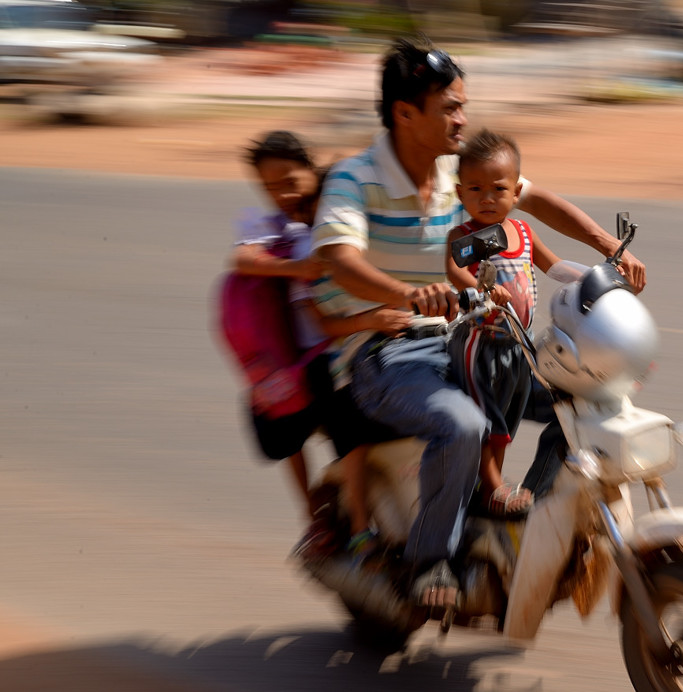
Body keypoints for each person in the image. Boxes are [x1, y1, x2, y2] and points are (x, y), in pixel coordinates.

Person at [310, 37, 646, 609]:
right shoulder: (353, 178)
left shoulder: (459, 174)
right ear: (405, 113)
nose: (462, 118)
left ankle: (524, 524)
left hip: (474, 340)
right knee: (462, 425)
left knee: (584, 397)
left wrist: (606, 244)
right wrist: (410, 293)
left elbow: (533, 201)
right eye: (450, 108)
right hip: (386, 351)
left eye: (462, 106)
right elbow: (338, 257)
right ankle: (429, 560)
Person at [232, 130, 405, 555]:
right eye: (270, 187)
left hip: (336, 347)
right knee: (339, 421)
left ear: (312, 173)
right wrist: (298, 268)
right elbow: (241, 258)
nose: (281, 195)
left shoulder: (334, 212)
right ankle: (341, 523)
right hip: (316, 357)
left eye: (290, 182)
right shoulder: (291, 235)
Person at [445, 128, 561, 518]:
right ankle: (493, 486)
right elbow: (455, 267)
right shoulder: (470, 236)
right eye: (475, 189)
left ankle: (499, 489)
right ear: (460, 194)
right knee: (487, 415)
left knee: (508, 417)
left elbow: (555, 266)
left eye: (498, 189)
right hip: (481, 342)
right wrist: (481, 287)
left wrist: (596, 277)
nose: (488, 198)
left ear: (516, 193)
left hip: (518, 345)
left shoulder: (523, 233)